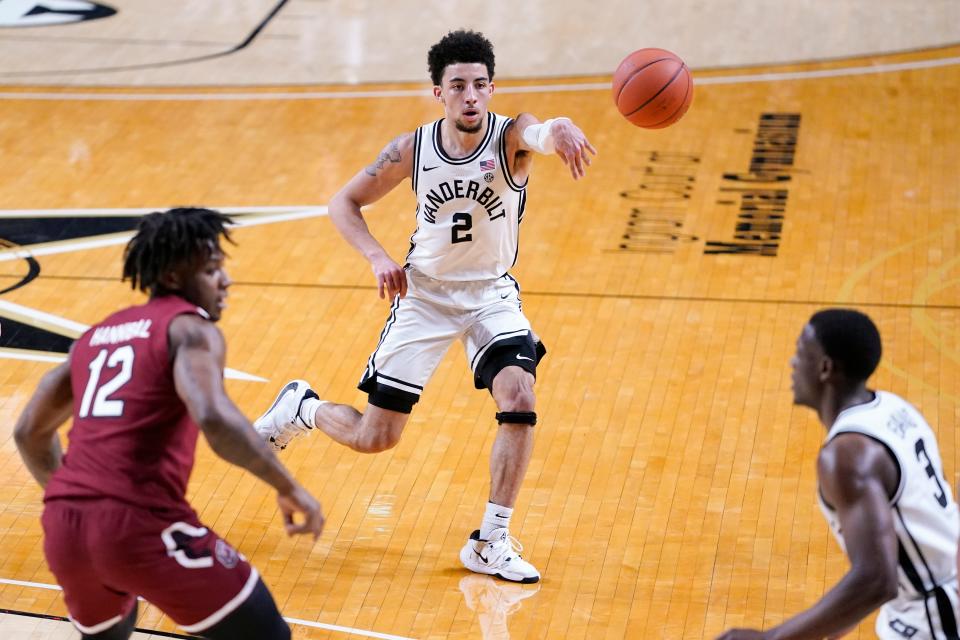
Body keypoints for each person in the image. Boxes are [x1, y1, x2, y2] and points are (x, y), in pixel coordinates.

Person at [253, 29, 595, 584]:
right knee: (375, 438)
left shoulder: (512, 139)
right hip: (426, 298)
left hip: (490, 295)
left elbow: (542, 131)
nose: (471, 97)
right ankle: (303, 409)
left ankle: (492, 539)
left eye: (480, 85)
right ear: (438, 92)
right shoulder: (414, 149)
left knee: (519, 394)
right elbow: (343, 202)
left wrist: (562, 128)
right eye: (457, 86)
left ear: (491, 87)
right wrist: (375, 256)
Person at [14, 208, 323, 640]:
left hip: (64, 528)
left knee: (113, 627)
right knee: (267, 634)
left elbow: (28, 431)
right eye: (213, 269)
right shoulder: (189, 329)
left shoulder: (94, 337)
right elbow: (214, 418)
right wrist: (289, 487)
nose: (226, 280)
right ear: (176, 276)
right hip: (137, 522)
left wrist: (74, 503)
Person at [717, 309, 959, 640]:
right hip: (930, 601)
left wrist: (771, 638)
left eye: (801, 352)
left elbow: (877, 580)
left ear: (825, 368)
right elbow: (890, 547)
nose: (792, 363)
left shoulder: (846, 457)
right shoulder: (893, 409)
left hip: (933, 620)